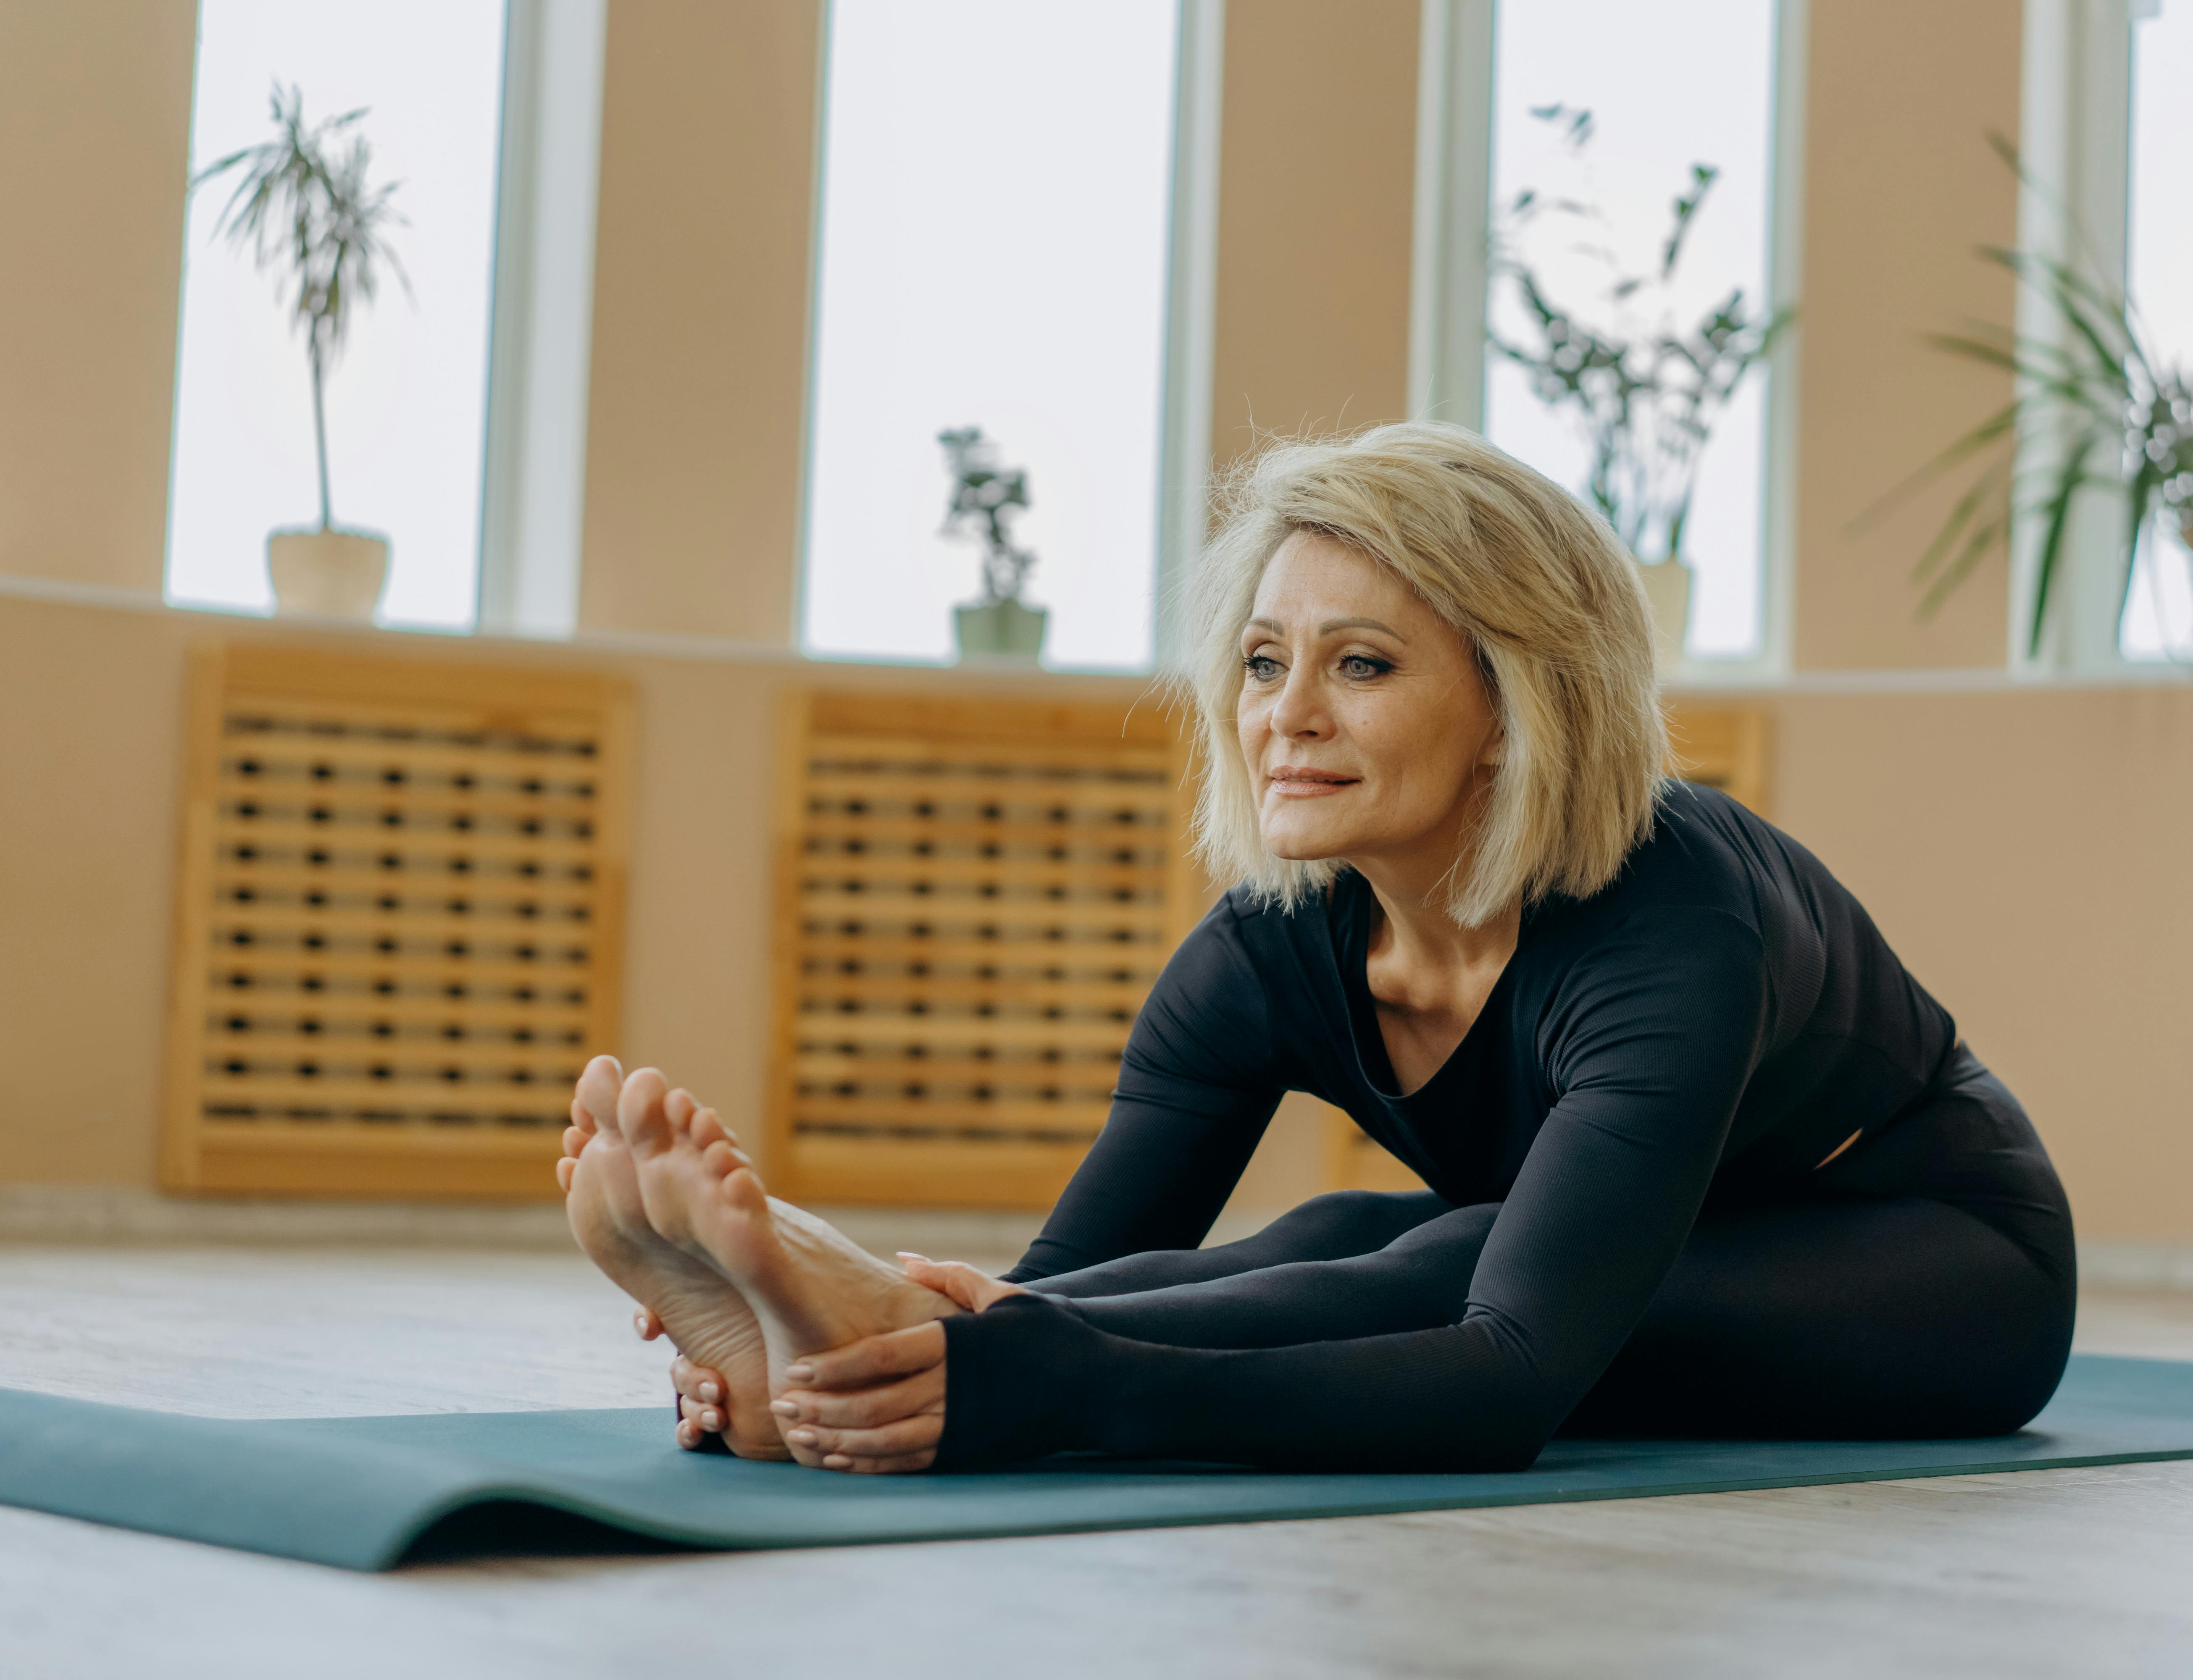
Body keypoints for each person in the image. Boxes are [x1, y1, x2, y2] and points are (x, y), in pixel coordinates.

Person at [557, 421, 2076, 1477]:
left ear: (1515, 706)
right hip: (1624, 1247)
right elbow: (1074, 1279)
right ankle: (842, 1338)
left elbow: (1510, 1377)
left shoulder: (1674, 913)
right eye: (1267, 661)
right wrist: (899, 1353)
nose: (1286, 713)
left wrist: (1046, 1394)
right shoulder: (1274, 947)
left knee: (1448, 1255)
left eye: (1362, 665)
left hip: (1934, 1266)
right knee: (1336, 1240)